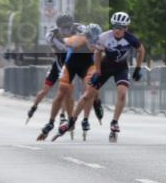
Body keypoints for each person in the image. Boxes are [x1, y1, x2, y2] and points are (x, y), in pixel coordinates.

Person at [60, 12, 145, 143]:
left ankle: (114, 122)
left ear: (126, 28)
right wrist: (98, 70)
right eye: (115, 27)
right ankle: (72, 121)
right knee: (88, 95)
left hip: (121, 69)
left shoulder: (130, 38)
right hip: (105, 67)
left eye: (121, 27)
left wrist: (138, 68)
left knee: (122, 94)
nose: (117, 30)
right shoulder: (105, 37)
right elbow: (97, 53)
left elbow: (141, 50)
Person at [32, 14, 84, 139]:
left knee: (84, 89)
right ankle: (60, 119)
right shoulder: (51, 35)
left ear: (72, 26)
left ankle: (69, 118)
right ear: (58, 28)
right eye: (63, 29)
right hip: (62, 61)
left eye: (68, 28)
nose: (66, 32)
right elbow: (59, 51)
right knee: (65, 91)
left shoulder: (80, 29)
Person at [50, 24, 101, 141]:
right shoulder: (77, 40)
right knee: (66, 89)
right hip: (71, 65)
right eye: (90, 38)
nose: (92, 42)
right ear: (85, 36)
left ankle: (85, 119)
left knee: (90, 90)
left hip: (87, 66)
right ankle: (67, 117)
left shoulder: (98, 41)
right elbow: (64, 43)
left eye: (95, 39)